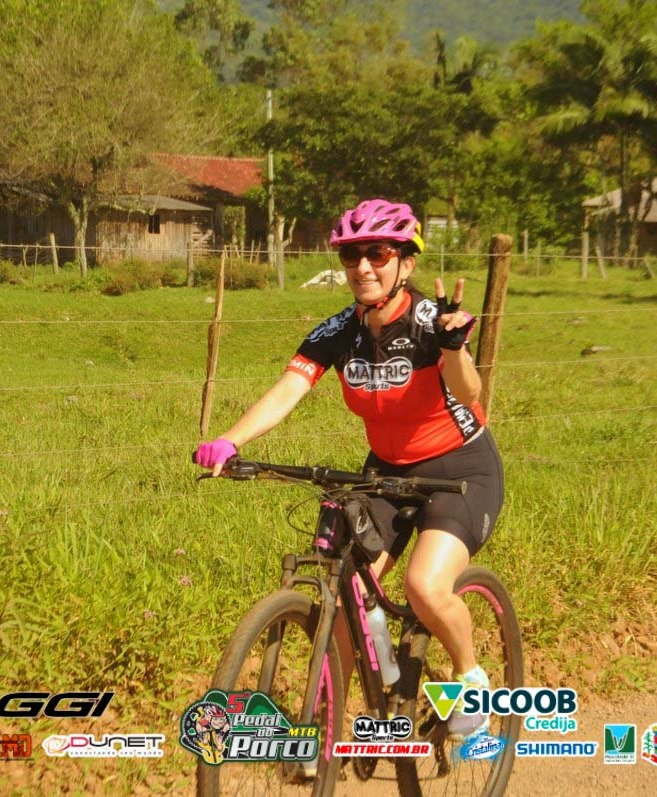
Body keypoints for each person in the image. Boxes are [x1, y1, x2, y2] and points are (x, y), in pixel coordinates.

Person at [193, 198, 504, 740]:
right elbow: (288, 390)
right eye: (351, 256)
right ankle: (342, 713)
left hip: (460, 470)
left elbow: (469, 391)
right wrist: (230, 439)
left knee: (425, 586)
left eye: (377, 254)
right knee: (343, 594)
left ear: (405, 262)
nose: (362, 267)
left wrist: (454, 347)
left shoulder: (432, 323)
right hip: (386, 471)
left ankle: (471, 679)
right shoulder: (339, 330)